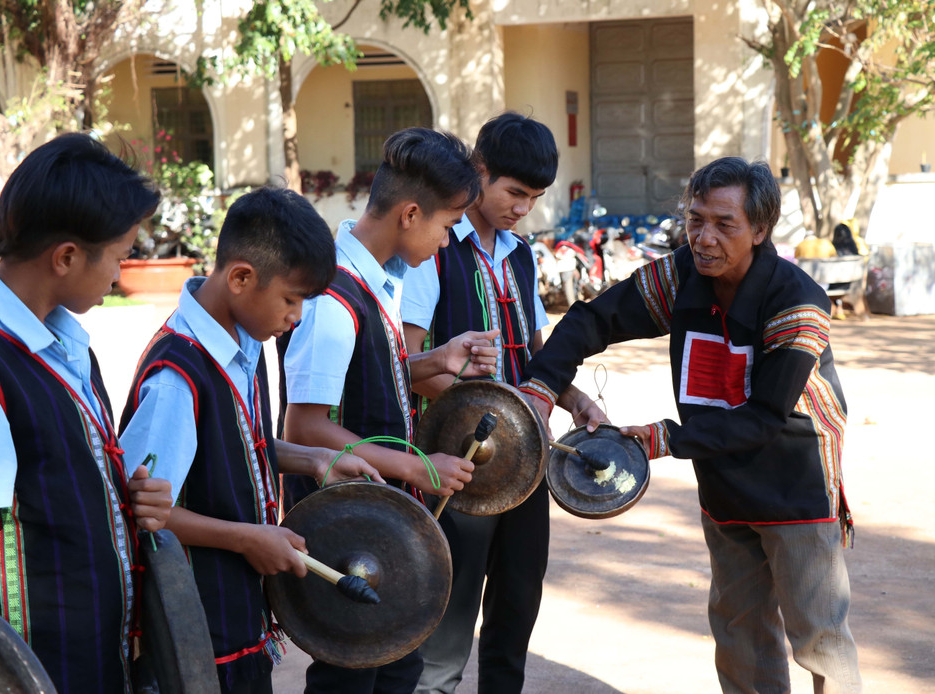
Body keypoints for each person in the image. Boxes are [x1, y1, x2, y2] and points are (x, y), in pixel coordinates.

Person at [519, 157, 862, 694]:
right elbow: (593, 319)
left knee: (820, 638)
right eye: (695, 219)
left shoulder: (799, 303)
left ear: (760, 230)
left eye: (725, 225)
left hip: (795, 482)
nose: (704, 238)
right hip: (722, 480)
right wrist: (542, 387)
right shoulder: (681, 276)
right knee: (739, 632)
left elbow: (767, 416)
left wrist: (666, 438)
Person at [117, 186, 382, 693]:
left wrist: (316, 458)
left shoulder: (244, 339)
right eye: (291, 299)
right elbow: (143, 511)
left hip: (239, 615)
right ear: (241, 277)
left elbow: (236, 445)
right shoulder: (177, 379)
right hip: (198, 631)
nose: (296, 317)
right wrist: (247, 538)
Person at [281, 127, 500, 694]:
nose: (449, 243)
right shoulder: (331, 299)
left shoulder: (381, 279)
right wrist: (415, 467)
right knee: (351, 675)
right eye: (448, 226)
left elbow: (367, 380)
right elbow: (304, 426)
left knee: (397, 666)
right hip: (345, 530)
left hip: (379, 522)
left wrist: (434, 360)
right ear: (409, 214)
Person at [400, 111, 605, 694]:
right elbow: (408, 367)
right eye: (514, 193)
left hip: (526, 465)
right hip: (458, 467)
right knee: (448, 622)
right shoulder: (434, 249)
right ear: (480, 171)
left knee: (517, 607)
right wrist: (492, 416)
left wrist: (572, 396)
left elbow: (537, 354)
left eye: (534, 198)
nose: (522, 208)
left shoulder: (520, 253)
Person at [0, 133, 173, 693]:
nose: (119, 274)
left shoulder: (67, 346)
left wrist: (125, 498)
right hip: (40, 670)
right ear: (65, 257)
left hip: (98, 658)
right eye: (119, 256)